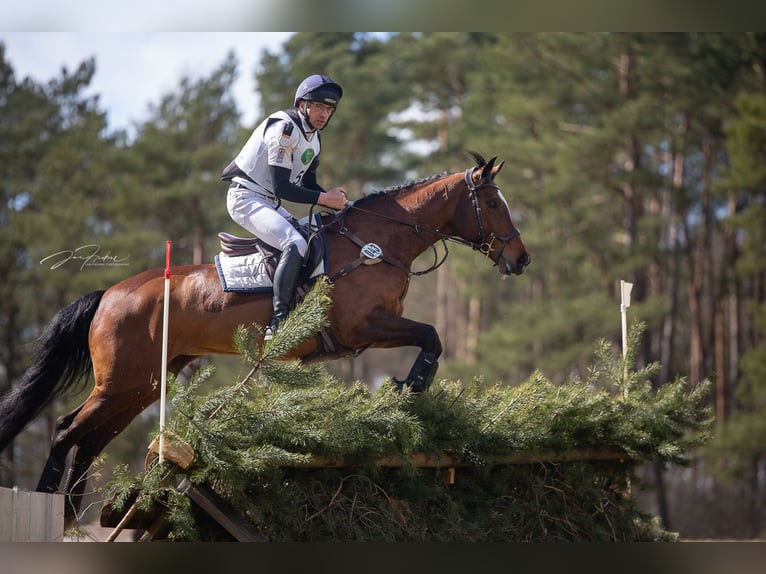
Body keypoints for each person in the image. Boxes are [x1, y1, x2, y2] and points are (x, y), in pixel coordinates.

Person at [221, 74, 348, 340]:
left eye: (329, 109)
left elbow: (309, 184)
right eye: (319, 107)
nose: (325, 114)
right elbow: (283, 188)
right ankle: (277, 323)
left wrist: (343, 205)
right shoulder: (285, 129)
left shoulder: (314, 139)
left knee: (312, 238)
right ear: (303, 105)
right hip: (245, 198)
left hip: (267, 201)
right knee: (295, 243)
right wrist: (325, 199)